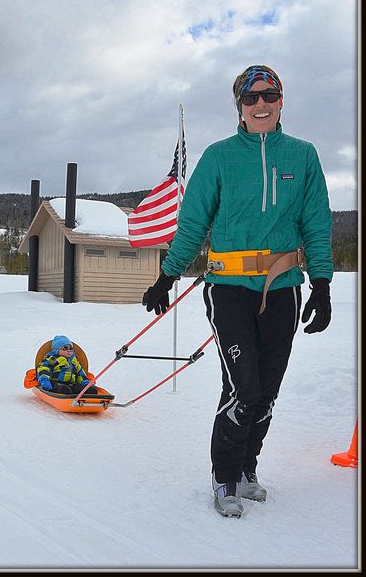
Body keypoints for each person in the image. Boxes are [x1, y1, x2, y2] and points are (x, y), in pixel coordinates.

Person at [142, 65, 333, 518]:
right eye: (251, 98)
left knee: (267, 390)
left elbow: (317, 224)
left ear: (281, 101)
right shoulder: (219, 157)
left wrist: (321, 285)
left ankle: (247, 468)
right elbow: (193, 223)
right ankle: (224, 474)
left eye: (269, 96)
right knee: (243, 387)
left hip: (282, 287)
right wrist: (167, 276)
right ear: (239, 107)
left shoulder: (303, 156)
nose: (261, 105)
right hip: (227, 289)